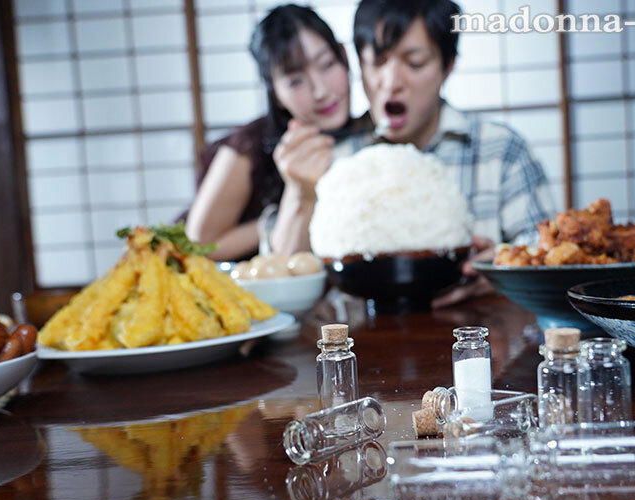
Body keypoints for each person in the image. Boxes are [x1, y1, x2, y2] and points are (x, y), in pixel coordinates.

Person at [338, 0, 556, 306]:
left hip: (481, 326)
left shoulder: (500, 149)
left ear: (448, 66)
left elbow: (549, 251)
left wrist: (505, 266)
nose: (391, 82)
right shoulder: (341, 159)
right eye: (377, 61)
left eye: (414, 63)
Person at [185, 4, 354, 260]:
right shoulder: (247, 147)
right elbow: (198, 243)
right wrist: (278, 218)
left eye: (327, 64)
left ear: (344, 56)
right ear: (275, 94)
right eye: (296, 81)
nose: (320, 91)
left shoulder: (365, 131)